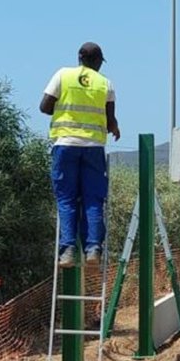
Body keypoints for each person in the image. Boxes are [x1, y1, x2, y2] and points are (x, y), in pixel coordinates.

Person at [39, 42, 121, 268]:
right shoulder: (105, 84)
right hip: (93, 147)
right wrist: (115, 127)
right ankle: (93, 249)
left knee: (66, 199)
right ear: (98, 62)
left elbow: (44, 106)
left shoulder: (62, 75)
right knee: (93, 199)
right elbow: (110, 120)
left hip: (65, 144)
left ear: (79, 58)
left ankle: (67, 253)